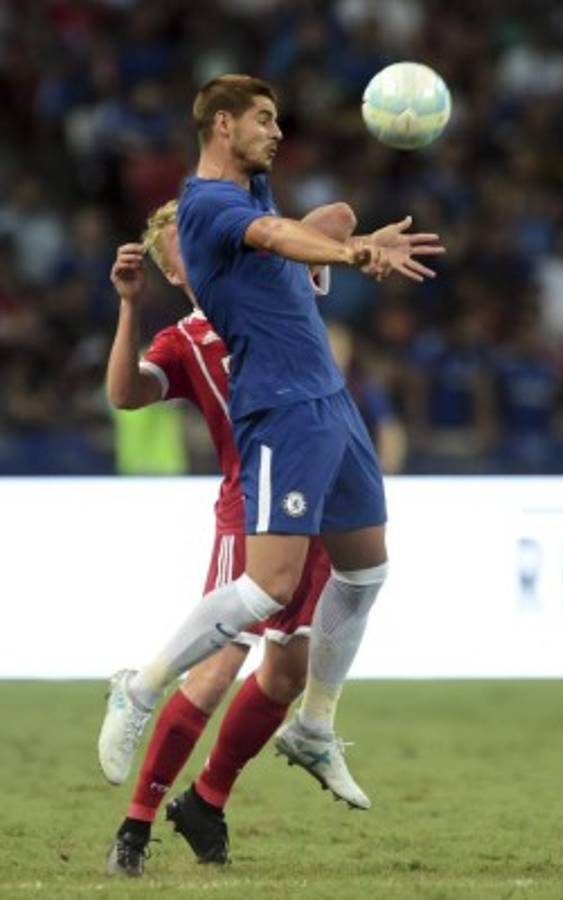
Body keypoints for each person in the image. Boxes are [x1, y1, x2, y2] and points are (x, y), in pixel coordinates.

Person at [98, 74, 444, 829]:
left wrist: (349, 240)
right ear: (222, 126)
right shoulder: (209, 205)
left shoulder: (253, 194)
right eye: (264, 119)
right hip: (281, 412)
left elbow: (314, 221)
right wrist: (350, 255)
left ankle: (314, 724)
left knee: (367, 566)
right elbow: (279, 236)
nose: (277, 132)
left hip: (331, 404)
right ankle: (145, 683)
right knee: (266, 589)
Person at [104, 199, 362, 876]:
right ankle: (134, 825)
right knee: (217, 669)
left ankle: (206, 802)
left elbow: (338, 214)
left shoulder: (273, 283)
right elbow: (126, 395)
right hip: (249, 509)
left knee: (287, 670)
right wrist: (129, 307)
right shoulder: (184, 340)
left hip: (316, 496)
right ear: (172, 268)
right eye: (185, 242)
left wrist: (278, 236)